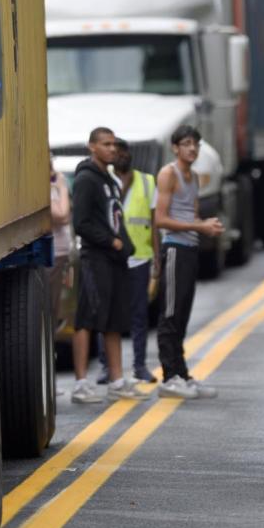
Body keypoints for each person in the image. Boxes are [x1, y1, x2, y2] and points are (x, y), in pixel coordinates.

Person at [70, 127, 149, 404]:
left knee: (114, 320)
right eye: (106, 144)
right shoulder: (86, 180)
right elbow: (81, 223)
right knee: (88, 317)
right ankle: (81, 383)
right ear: (92, 147)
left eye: (114, 144)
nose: (113, 149)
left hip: (115, 260)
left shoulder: (110, 180)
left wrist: (126, 246)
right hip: (95, 258)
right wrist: (111, 242)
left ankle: (117, 380)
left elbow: (116, 218)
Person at [154, 125, 224, 399]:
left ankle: (181, 373)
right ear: (175, 148)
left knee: (182, 314)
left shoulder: (193, 176)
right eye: (186, 144)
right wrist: (200, 226)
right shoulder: (168, 174)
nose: (192, 149)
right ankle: (169, 377)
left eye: (195, 144)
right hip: (174, 249)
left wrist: (206, 226)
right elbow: (160, 219)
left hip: (190, 249)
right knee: (170, 313)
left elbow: (192, 217)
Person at [96, 139, 159, 384]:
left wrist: (157, 260)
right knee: (107, 315)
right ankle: (106, 367)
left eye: (123, 150)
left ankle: (140, 366)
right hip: (112, 259)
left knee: (139, 315)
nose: (120, 155)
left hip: (140, 259)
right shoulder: (105, 182)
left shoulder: (147, 181)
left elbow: (154, 223)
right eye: (115, 151)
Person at [48, 158, 72, 331]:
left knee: (56, 307)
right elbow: (62, 215)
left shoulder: (52, 186)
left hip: (61, 253)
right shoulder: (46, 187)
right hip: (54, 253)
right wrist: (63, 187)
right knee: (51, 307)